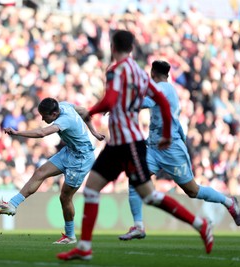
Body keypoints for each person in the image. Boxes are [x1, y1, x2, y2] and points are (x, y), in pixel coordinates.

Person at [57, 30, 214, 261]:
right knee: (91, 189)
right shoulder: (140, 74)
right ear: (131, 47)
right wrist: (168, 132)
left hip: (129, 145)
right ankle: (84, 248)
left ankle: (200, 225)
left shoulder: (115, 70)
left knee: (149, 197)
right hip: (119, 144)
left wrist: (89, 111)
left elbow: (110, 100)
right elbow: (161, 101)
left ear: (112, 47)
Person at [119, 60, 240, 241]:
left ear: (153, 72)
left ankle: (229, 202)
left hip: (170, 149)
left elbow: (143, 103)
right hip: (154, 148)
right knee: (135, 180)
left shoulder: (165, 88)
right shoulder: (163, 88)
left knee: (192, 190)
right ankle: (138, 226)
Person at [0, 97, 105, 244]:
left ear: (55, 114)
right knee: (40, 172)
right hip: (70, 151)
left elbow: (42, 133)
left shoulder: (64, 120)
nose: (43, 119)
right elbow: (84, 112)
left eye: (45, 116)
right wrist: (94, 132)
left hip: (81, 159)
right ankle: (12, 205)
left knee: (65, 198)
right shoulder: (64, 105)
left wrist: (17, 133)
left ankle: (70, 236)